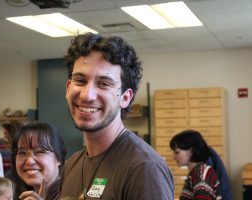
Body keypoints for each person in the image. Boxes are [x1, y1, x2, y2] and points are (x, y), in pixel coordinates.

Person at [61, 33, 174, 199]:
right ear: (68, 88)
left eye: (104, 84)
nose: (87, 95)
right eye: (80, 80)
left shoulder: (143, 167)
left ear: (125, 98)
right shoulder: (71, 166)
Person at [11, 121, 66, 200]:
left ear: (59, 158)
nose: (29, 161)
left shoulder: (72, 193)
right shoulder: (25, 193)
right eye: (22, 153)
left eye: (39, 152)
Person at [170, 129, 221, 200]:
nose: (173, 157)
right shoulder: (196, 172)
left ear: (191, 152)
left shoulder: (201, 174)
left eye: (177, 152)